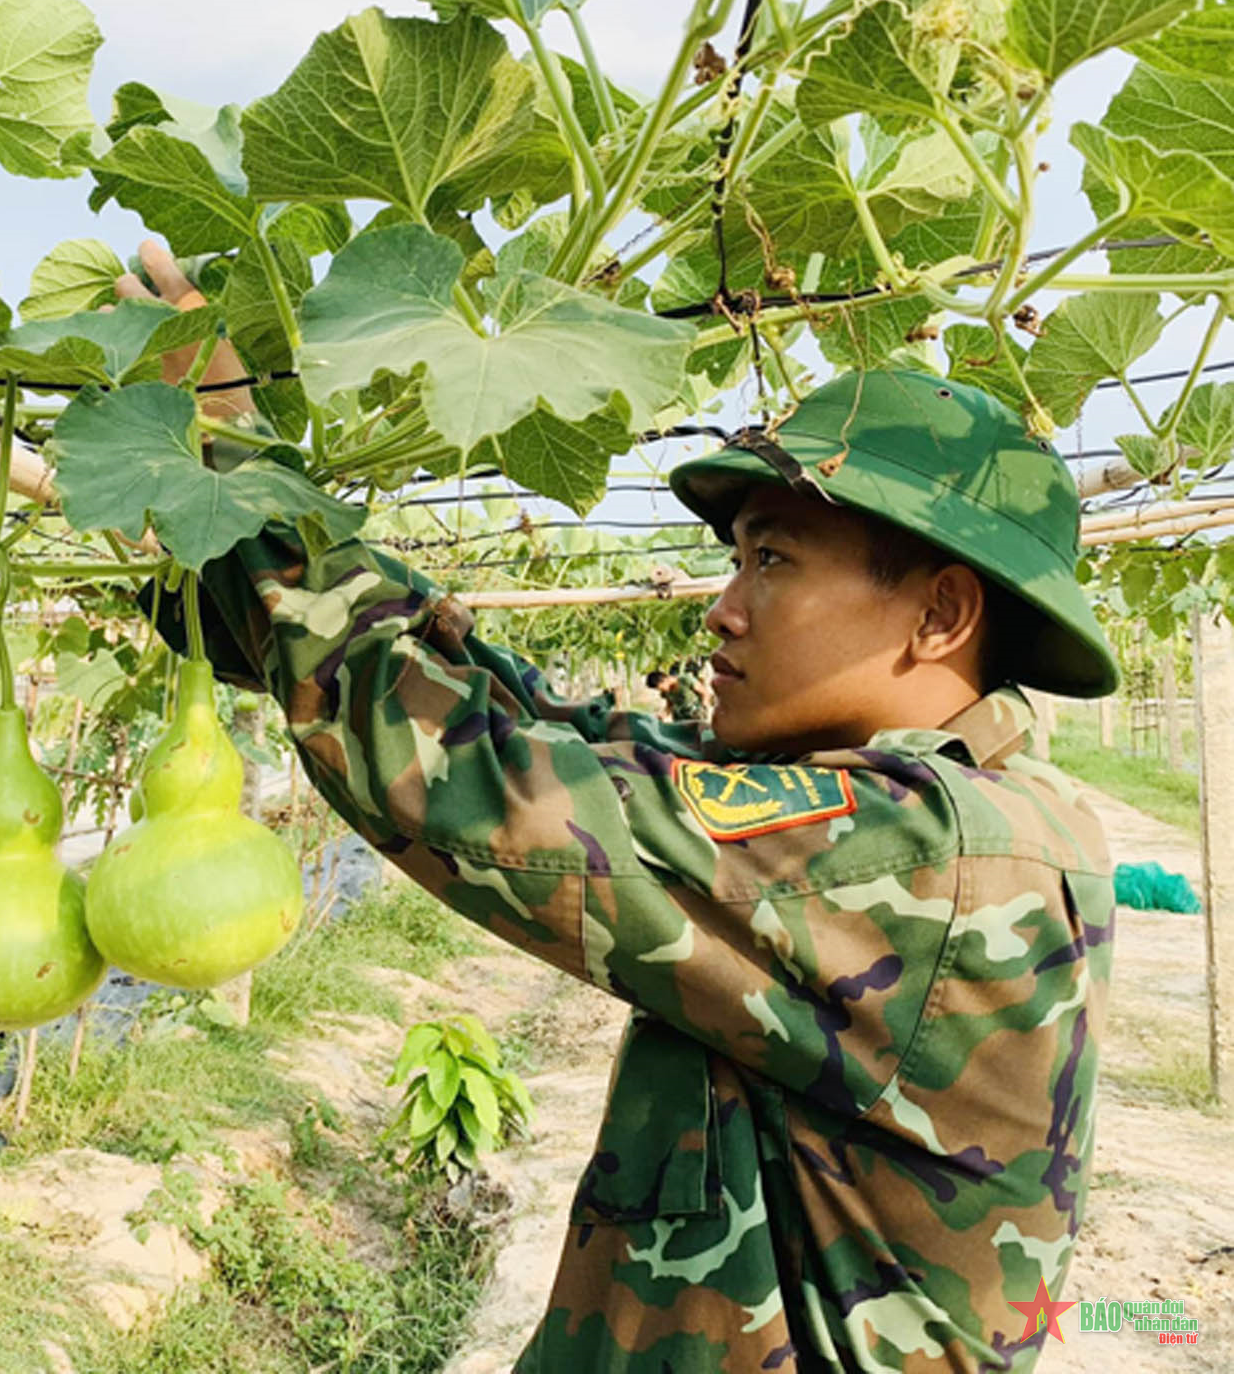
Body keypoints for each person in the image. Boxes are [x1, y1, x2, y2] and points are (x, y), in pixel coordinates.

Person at [118, 244, 1115, 1373]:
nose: (720, 613)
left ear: (938, 613)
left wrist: (240, 461)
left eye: (771, 561)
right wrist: (229, 522)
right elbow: (555, 734)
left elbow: (483, 786)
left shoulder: (934, 850)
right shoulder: (925, 798)